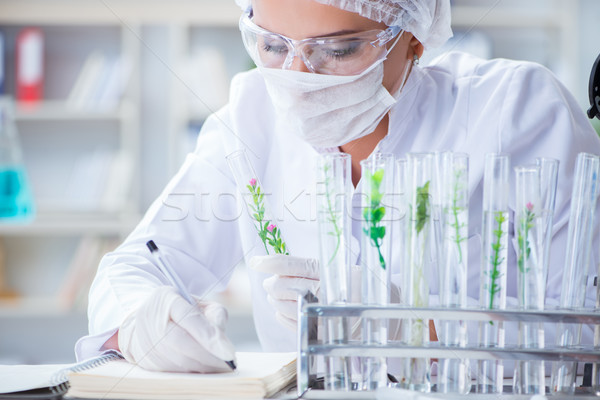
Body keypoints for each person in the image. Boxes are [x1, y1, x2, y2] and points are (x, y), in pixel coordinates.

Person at [75, 0, 600, 375]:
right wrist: (140, 323)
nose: (299, 77)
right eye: (273, 45)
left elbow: (585, 335)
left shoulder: (519, 112)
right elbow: (133, 267)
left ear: (413, 34)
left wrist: (413, 333)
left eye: (340, 49)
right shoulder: (250, 117)